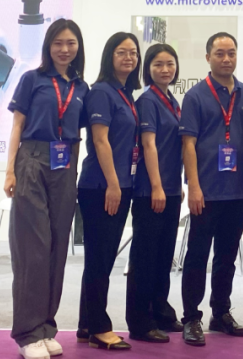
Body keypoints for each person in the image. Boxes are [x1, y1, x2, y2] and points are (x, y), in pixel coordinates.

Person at [5, 18, 89, 359]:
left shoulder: (82, 87)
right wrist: (10, 170)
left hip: (65, 165)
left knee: (57, 248)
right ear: (48, 46)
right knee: (33, 249)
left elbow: (81, 134)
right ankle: (27, 334)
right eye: (58, 43)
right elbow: (17, 125)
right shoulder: (33, 79)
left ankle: (46, 328)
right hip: (32, 160)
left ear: (78, 47)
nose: (64, 49)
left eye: (71, 43)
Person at [178, 32, 243, 347]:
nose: (226, 59)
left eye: (231, 53)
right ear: (208, 57)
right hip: (205, 192)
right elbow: (188, 144)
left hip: (235, 191)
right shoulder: (196, 96)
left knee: (227, 257)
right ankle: (191, 317)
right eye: (220, 53)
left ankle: (220, 313)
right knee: (197, 256)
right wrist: (193, 186)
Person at [75, 32, 142, 350]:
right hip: (101, 187)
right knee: (100, 259)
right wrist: (114, 184)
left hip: (119, 185)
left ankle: (87, 323)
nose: (129, 57)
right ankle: (100, 328)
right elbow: (100, 141)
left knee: (100, 258)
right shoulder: (102, 92)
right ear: (109, 57)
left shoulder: (125, 93)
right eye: (121, 52)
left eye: (133, 52)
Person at [127, 43, 184, 343]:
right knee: (145, 258)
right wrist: (158, 187)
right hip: (151, 191)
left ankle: (161, 311)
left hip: (171, 189)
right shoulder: (148, 100)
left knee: (164, 256)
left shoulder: (172, 100)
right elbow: (149, 145)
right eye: (158, 64)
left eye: (170, 63)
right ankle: (140, 321)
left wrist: (176, 186)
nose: (165, 69)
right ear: (147, 68)